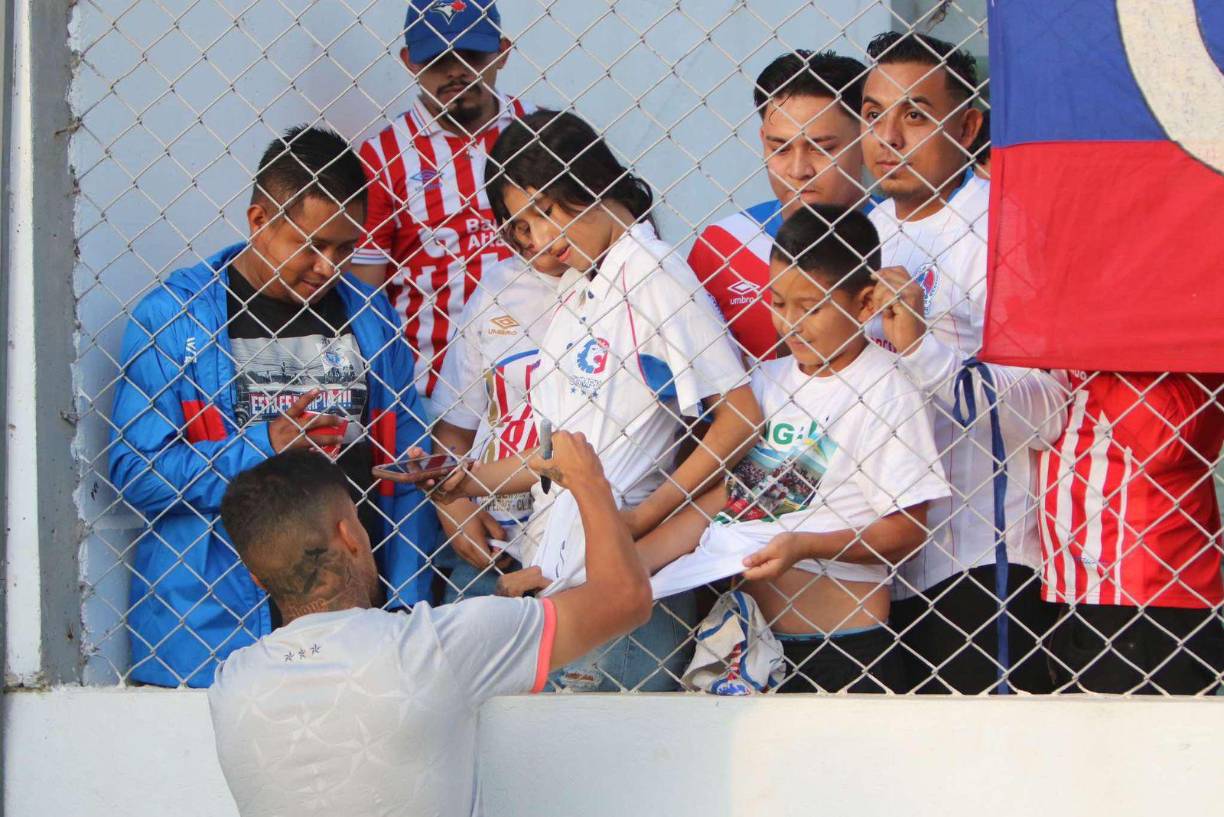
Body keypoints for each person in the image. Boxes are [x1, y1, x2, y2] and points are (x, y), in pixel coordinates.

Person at [432, 109, 763, 691]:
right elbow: (562, 454)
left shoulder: (654, 274)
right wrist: (464, 481)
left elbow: (740, 417)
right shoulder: (579, 286)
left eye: (547, 212)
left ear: (592, 183)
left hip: (618, 580)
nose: (540, 239)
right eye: (522, 225)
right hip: (556, 574)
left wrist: (641, 520)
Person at [108, 126, 437, 687]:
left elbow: (408, 473)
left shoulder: (371, 316)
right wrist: (264, 446)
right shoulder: (175, 318)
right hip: (213, 634)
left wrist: (406, 603)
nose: (328, 266)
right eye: (311, 245)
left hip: (355, 634)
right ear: (260, 220)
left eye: (345, 248)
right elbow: (135, 474)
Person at [208, 438, 652, 817]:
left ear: (256, 576)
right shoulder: (433, 647)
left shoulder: (231, 686)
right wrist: (587, 480)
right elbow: (624, 599)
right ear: (348, 536)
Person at [641, 206, 950, 693]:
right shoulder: (765, 381)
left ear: (865, 303)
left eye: (811, 307)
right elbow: (727, 500)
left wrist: (805, 545)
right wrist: (625, 562)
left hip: (843, 652)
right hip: (751, 647)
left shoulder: (887, 390)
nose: (791, 323)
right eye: (778, 302)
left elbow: (906, 529)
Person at [860, 32, 1068, 693]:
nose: (888, 136)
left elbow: (1049, 406)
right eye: (872, 114)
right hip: (878, 562)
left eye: (915, 114)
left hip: (980, 559)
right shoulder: (863, 232)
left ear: (969, 126)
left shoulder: (1005, 228)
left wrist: (921, 349)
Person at [350, 0, 530, 419]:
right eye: (438, 59)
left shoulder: (540, 133)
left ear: (502, 52)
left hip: (540, 378)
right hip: (432, 389)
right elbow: (363, 295)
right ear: (410, 61)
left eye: (471, 55)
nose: (455, 71)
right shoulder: (384, 156)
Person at [1039, 372, 1224, 694]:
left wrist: (1089, 349)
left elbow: (1163, 438)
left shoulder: (1169, 357)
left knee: (1131, 721)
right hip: (1080, 577)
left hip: (1140, 588)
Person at [689, 51, 870, 363]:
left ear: (866, 137)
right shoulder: (724, 246)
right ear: (763, 140)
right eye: (780, 148)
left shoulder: (904, 232)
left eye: (822, 148)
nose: (799, 170)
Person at [429, 227, 567, 601]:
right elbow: (456, 427)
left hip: (590, 543)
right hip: (496, 542)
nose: (532, 234)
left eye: (547, 212)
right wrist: (455, 507)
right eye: (516, 222)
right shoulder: (498, 288)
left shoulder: (628, 287)